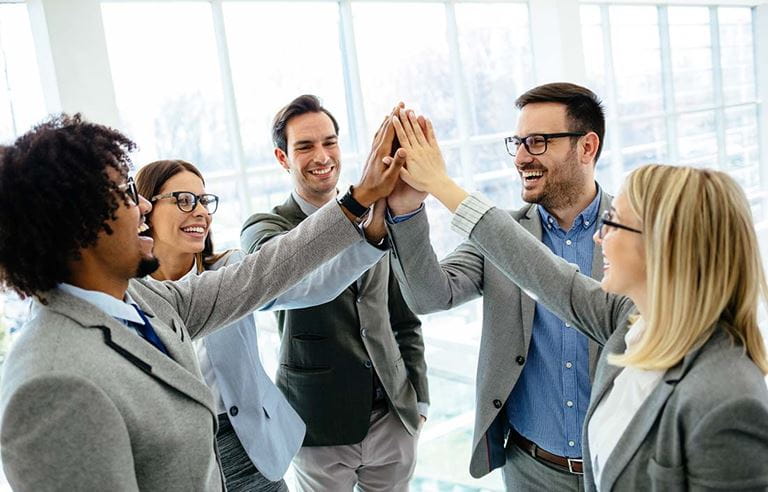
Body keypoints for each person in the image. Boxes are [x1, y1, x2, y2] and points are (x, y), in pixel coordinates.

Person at [0, 112, 404, 490]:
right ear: (78, 221)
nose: (140, 205)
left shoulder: (142, 297)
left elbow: (262, 273)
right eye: (126, 193)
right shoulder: (49, 386)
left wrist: (357, 199)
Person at [391, 107, 768, 490]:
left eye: (614, 222)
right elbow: (544, 273)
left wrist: (442, 183)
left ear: (664, 246)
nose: (600, 237)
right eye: (518, 143)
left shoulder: (728, 398)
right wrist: (424, 195)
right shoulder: (631, 322)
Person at [386, 83, 609, 489]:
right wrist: (407, 208)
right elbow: (429, 295)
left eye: (538, 142)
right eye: (519, 142)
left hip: (618, 466)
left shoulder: (633, 234)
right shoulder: (498, 237)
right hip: (531, 470)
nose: (522, 157)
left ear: (587, 147)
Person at [135, 159, 392, 491]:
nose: (200, 211)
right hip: (183, 457)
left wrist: (370, 239)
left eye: (204, 200)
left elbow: (313, 284)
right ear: (145, 207)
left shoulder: (228, 272)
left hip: (248, 445)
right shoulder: (132, 296)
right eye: (185, 200)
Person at [240, 95, 429, 492]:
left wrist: (419, 400)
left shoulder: (380, 213)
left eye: (329, 142)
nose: (321, 155)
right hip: (318, 423)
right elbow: (299, 281)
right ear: (282, 157)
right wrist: (359, 204)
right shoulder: (264, 227)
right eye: (305, 146)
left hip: (393, 416)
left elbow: (403, 315)